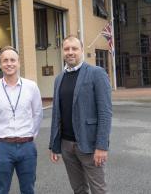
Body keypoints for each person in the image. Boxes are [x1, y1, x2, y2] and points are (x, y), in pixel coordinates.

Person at [49, 35, 112, 194]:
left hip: (90, 145)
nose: (70, 52)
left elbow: (105, 112)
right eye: (67, 49)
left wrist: (102, 146)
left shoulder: (96, 73)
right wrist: (55, 145)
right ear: (63, 52)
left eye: (74, 48)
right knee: (78, 189)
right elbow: (57, 114)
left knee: (99, 190)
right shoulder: (59, 79)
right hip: (67, 146)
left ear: (82, 50)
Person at [0, 46, 43, 194]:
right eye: (5, 60)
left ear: (19, 63)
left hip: (27, 146)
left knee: (28, 189)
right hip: (4, 147)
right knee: (2, 189)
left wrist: (30, 135)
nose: (9, 63)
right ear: (0, 64)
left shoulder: (31, 87)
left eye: (12, 60)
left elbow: (37, 114)